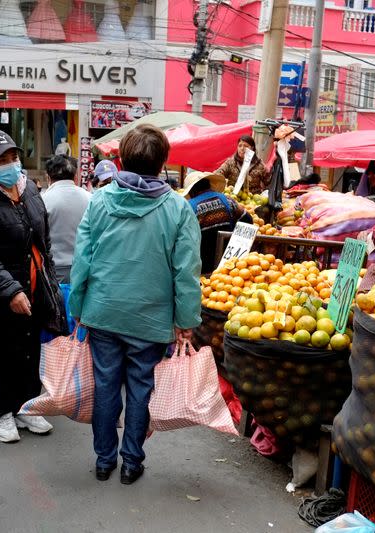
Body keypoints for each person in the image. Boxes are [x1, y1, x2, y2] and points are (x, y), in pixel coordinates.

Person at [69, 124, 202, 485]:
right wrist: (186, 320)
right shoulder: (178, 208)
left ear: (122, 160)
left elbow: (83, 260)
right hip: (151, 319)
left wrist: (77, 306)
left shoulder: (99, 201)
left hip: (103, 312)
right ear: (163, 163)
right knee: (141, 388)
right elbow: (186, 271)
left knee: (106, 385)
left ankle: (103, 460)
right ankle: (131, 463)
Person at [0, 129, 58, 444]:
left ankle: (27, 406)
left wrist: (48, 282)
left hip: (33, 285)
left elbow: (43, 242)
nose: (10, 164)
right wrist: (11, 291)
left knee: (29, 351)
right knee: (0, 354)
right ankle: (2, 412)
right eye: (1, 160)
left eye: (13, 157)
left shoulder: (29, 188)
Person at [182, 171, 252, 274]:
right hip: (228, 266)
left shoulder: (189, 207)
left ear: (192, 191)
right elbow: (248, 220)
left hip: (201, 266)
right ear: (209, 185)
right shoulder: (228, 201)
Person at [41, 155, 90, 283]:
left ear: (48, 178)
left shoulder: (43, 201)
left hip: (54, 270)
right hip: (86, 268)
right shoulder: (91, 198)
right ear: (76, 176)